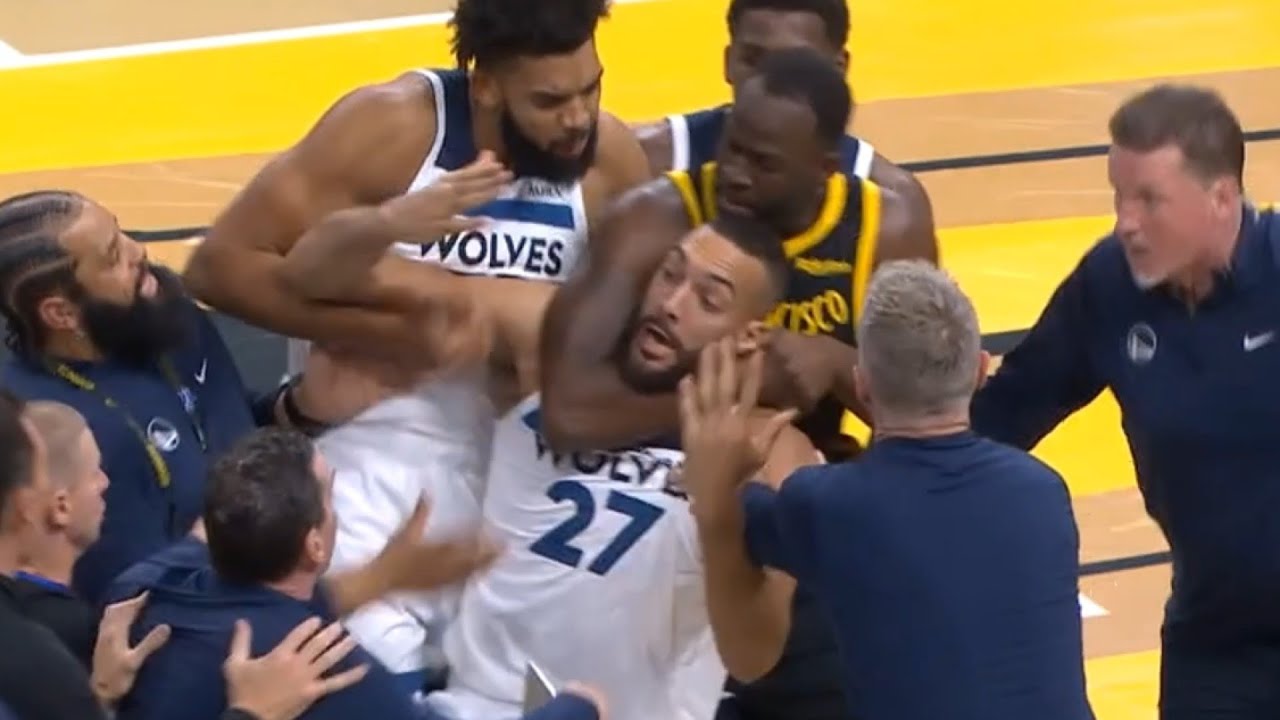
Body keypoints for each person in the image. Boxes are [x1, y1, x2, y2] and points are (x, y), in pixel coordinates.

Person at [185, 0, 652, 684]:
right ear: (486, 86)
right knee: (336, 661)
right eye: (550, 101)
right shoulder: (394, 129)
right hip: (377, 456)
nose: (578, 117)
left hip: (523, 472)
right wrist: (398, 330)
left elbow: (640, 339)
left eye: (592, 88)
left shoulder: (610, 162)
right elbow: (220, 268)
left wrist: (500, 323)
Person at [538, 48, 936, 720]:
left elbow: (935, 421)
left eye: (764, 163)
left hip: (800, 500)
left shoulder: (885, 229)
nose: (737, 174)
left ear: (825, 168)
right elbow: (570, 411)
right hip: (650, 488)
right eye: (733, 148)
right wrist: (729, 399)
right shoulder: (659, 214)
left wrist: (838, 365)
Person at [402, 213, 813, 720]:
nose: (671, 304)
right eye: (668, 274)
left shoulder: (769, 447)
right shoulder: (553, 362)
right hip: (470, 706)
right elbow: (389, 290)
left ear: (749, 339)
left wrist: (716, 512)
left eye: (709, 301)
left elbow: (753, 657)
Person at [970, 84, 1280, 720]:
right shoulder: (1108, 287)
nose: (1125, 223)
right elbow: (1005, 413)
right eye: (1119, 196)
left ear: (1222, 198)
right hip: (1216, 640)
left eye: (1149, 200)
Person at [681, 260, 1093, 720]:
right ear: (980, 371)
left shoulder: (829, 505)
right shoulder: (1044, 491)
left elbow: (732, 525)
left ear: (861, 385)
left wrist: (715, 481)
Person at [118, 427, 608, 720]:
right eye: (331, 496)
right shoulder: (330, 671)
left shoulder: (146, 594)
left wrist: (385, 576)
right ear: (314, 545)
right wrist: (579, 707)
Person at [0, 389, 340, 720]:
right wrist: (253, 712)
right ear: (38, 504)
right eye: (33, 474)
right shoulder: (38, 655)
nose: (104, 482)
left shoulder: (115, 600)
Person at [0, 190, 257, 605]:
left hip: (276, 543)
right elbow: (128, 597)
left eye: (122, 233)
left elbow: (218, 413)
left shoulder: (165, 317)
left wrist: (302, 405)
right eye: (113, 256)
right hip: (200, 611)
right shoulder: (48, 430)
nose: (138, 251)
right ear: (61, 313)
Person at [634, 0, 934, 232]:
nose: (770, 80)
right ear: (728, 61)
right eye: (754, 60)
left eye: (795, 65)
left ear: (839, 69)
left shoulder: (892, 202)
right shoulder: (647, 163)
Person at [6, 400, 108, 666]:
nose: (104, 482)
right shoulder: (72, 633)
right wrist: (106, 685)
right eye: (94, 473)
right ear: (61, 508)